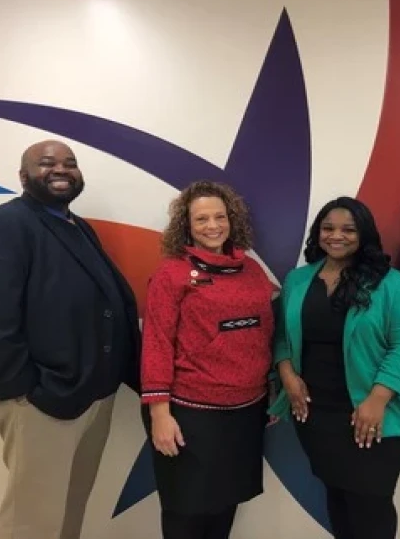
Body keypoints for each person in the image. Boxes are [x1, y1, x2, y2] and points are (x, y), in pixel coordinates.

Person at [0, 140, 141, 539]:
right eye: (47, 163)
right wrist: (23, 390)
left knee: (69, 514)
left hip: (89, 396)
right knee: (32, 524)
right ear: (23, 176)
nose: (61, 169)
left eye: (70, 163)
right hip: (40, 402)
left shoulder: (76, 226)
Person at [269, 196, 400, 539]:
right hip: (315, 414)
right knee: (337, 499)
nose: (336, 235)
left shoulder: (393, 284)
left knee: (370, 507)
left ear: (364, 234)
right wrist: (287, 376)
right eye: (328, 228)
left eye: (348, 229)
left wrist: (377, 400)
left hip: (372, 415)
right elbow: (280, 336)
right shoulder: (297, 280)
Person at [140, 180, 276, 539]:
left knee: (224, 506)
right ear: (187, 225)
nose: (213, 226)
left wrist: (273, 387)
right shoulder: (172, 273)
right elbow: (156, 342)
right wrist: (159, 413)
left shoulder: (252, 271)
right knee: (186, 511)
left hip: (246, 411)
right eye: (202, 219)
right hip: (190, 412)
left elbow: (265, 334)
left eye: (220, 216)